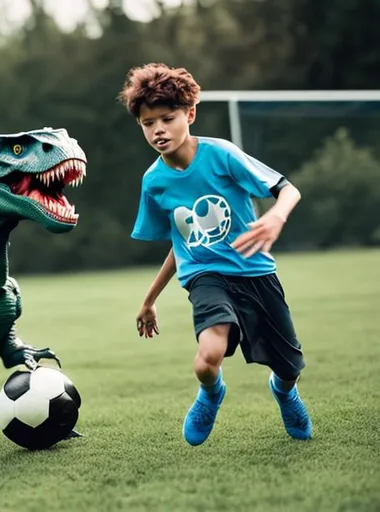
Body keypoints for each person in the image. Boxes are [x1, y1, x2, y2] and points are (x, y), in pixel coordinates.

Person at [117, 63, 312, 446]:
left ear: (189, 114)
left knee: (289, 367)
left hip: (256, 272)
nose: (158, 130)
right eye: (148, 122)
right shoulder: (153, 182)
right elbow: (181, 242)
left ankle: (285, 392)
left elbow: (288, 189)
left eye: (168, 119)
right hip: (206, 277)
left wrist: (275, 218)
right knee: (209, 355)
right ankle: (211, 393)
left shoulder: (221, 154)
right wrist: (149, 300)